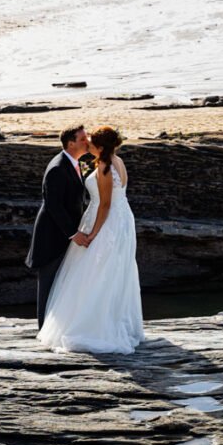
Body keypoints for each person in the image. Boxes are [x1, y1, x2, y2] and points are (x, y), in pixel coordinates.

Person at [37, 126, 144, 354]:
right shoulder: (117, 161)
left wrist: (94, 232)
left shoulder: (105, 167)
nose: (88, 144)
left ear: (101, 147)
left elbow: (105, 204)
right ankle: (110, 319)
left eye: (92, 142)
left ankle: (94, 326)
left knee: (95, 272)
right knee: (113, 270)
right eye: (85, 140)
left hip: (106, 222)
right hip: (121, 219)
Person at [25, 124, 92, 329]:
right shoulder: (57, 168)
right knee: (48, 282)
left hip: (69, 233)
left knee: (64, 283)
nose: (87, 141)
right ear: (71, 143)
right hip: (52, 236)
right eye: (83, 139)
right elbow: (54, 206)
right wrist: (73, 233)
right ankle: (44, 329)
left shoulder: (80, 162)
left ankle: (61, 326)